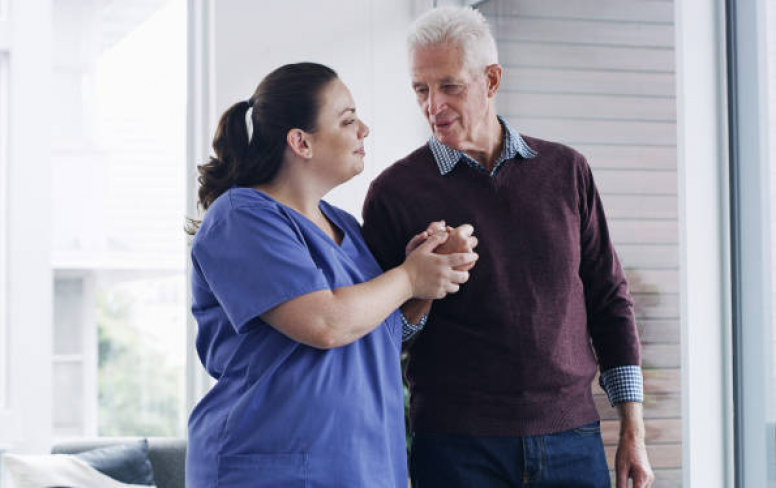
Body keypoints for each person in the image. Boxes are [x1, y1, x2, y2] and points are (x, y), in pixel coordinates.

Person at [361, 7, 655, 488]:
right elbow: (378, 338)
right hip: (455, 447)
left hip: (573, 440)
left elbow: (609, 301)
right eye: (421, 89)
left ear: (491, 79)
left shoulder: (567, 171)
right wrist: (422, 283)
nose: (433, 105)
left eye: (449, 86)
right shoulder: (395, 193)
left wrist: (633, 430)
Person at [184, 62, 478, 488]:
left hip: (363, 467)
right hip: (270, 470)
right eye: (347, 120)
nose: (364, 130)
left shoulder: (346, 228)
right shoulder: (242, 216)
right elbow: (325, 323)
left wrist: (428, 273)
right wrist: (407, 277)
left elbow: (379, 335)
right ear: (301, 142)